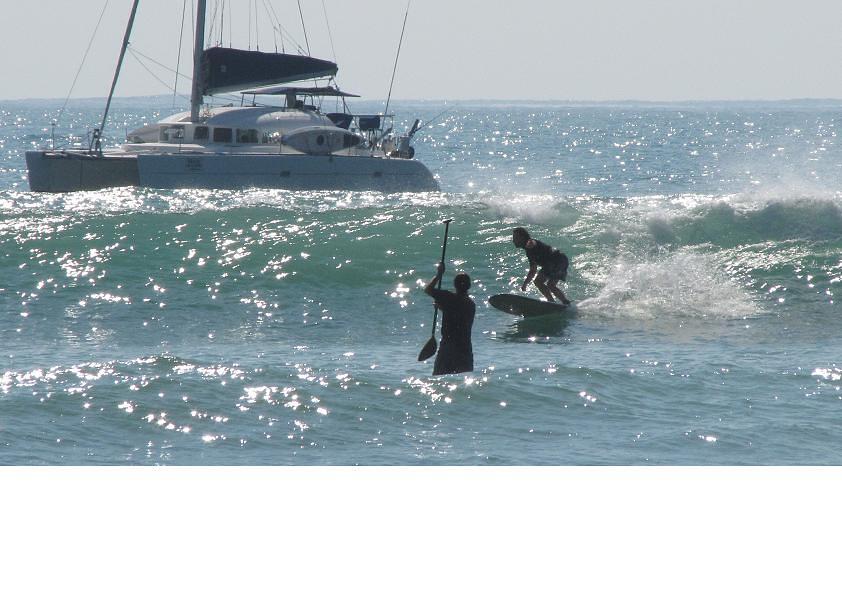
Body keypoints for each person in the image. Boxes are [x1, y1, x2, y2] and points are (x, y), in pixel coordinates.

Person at [424, 263, 475, 376]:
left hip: (448, 348)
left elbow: (428, 290)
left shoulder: (448, 297)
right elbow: (459, 317)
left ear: (455, 285)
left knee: (439, 379)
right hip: (465, 349)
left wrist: (439, 274)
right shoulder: (471, 304)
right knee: (464, 382)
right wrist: (443, 308)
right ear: (469, 286)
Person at [512, 226, 570, 304]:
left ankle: (551, 302)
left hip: (556, 260)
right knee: (551, 285)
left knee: (539, 282)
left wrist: (525, 284)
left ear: (522, 237)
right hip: (561, 260)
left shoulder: (530, 243)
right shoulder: (528, 251)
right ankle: (565, 302)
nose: (513, 240)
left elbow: (532, 243)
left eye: (516, 238)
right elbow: (533, 270)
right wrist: (525, 283)